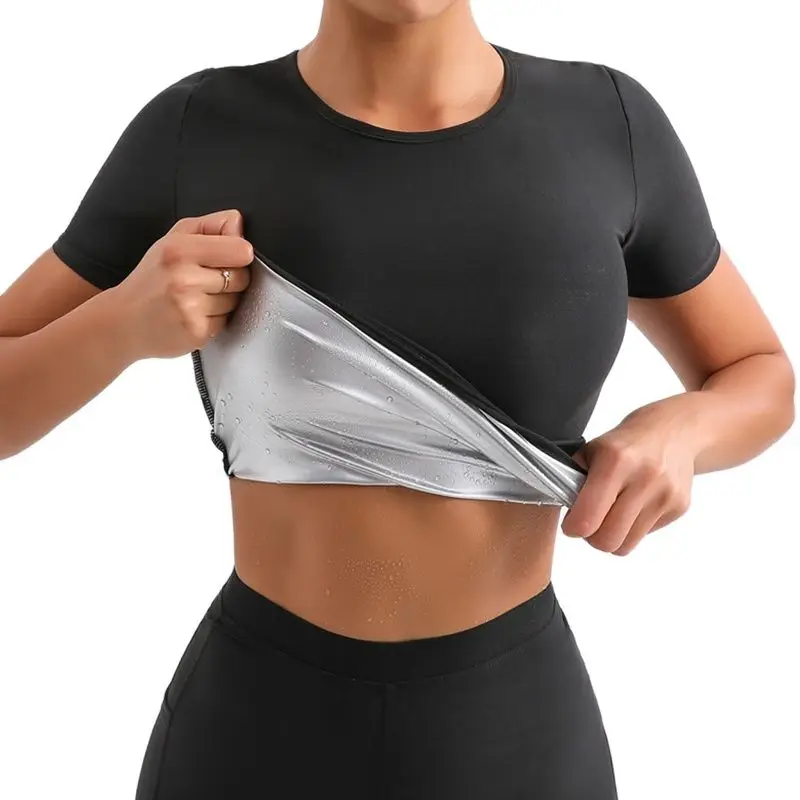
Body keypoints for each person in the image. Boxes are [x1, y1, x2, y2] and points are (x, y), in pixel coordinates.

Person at [0, 0, 794, 797]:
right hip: (254, 730)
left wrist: (683, 429)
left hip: (513, 734)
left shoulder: (607, 125)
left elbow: (758, 371)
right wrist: (118, 325)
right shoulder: (200, 128)